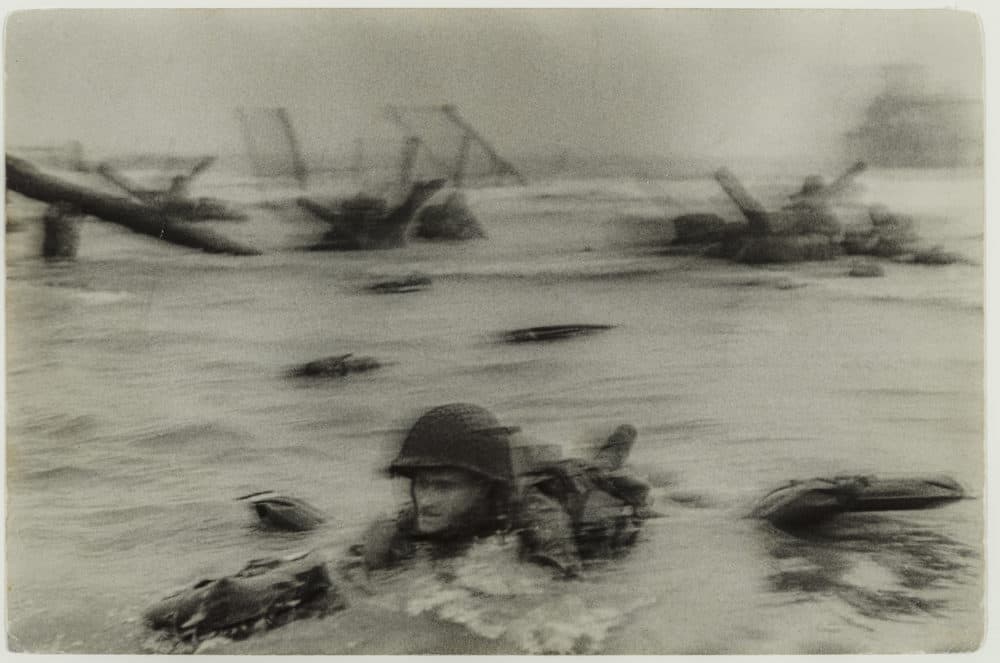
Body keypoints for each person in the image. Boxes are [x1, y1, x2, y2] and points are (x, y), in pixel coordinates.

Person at [349, 403, 650, 579]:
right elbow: (355, 571)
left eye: (444, 487)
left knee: (600, 474)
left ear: (482, 485)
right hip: (512, 471)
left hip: (585, 510)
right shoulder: (411, 519)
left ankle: (617, 444)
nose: (425, 500)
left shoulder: (537, 513)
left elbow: (561, 598)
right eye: (421, 484)